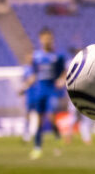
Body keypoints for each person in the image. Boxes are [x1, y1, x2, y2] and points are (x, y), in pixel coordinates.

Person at [19, 27, 67, 159]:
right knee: (39, 121)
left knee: (51, 118)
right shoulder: (37, 56)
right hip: (39, 91)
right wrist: (24, 87)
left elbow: (64, 71)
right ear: (40, 40)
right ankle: (37, 148)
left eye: (49, 38)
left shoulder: (58, 56)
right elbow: (34, 75)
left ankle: (58, 140)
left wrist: (61, 80)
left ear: (52, 39)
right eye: (44, 38)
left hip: (52, 91)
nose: (47, 41)